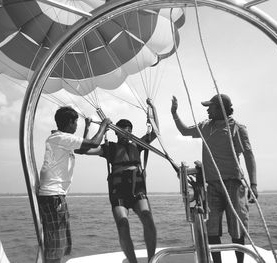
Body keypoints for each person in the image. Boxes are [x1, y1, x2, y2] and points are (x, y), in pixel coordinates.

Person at [171, 94, 258, 263]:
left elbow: (248, 155)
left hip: (233, 184)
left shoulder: (237, 128)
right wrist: (174, 113)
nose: (207, 109)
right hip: (211, 186)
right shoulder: (205, 126)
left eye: (210, 106)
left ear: (221, 109)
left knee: (237, 231)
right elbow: (184, 131)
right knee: (211, 230)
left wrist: (253, 184)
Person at [76, 99, 158, 263]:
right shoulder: (109, 148)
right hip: (119, 192)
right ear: (116, 132)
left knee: (148, 218)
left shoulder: (138, 145)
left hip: (137, 191)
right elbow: (82, 150)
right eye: (123, 131)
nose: (126, 134)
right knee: (123, 224)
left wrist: (153, 110)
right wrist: (87, 127)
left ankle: (151, 260)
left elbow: (155, 132)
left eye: (129, 131)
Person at [37, 106, 111, 263]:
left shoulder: (61, 140)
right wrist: (104, 125)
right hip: (53, 196)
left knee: (58, 242)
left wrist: (88, 126)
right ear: (70, 122)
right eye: (76, 122)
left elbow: (82, 149)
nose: (76, 125)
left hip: (55, 196)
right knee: (55, 245)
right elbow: (93, 143)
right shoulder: (60, 138)